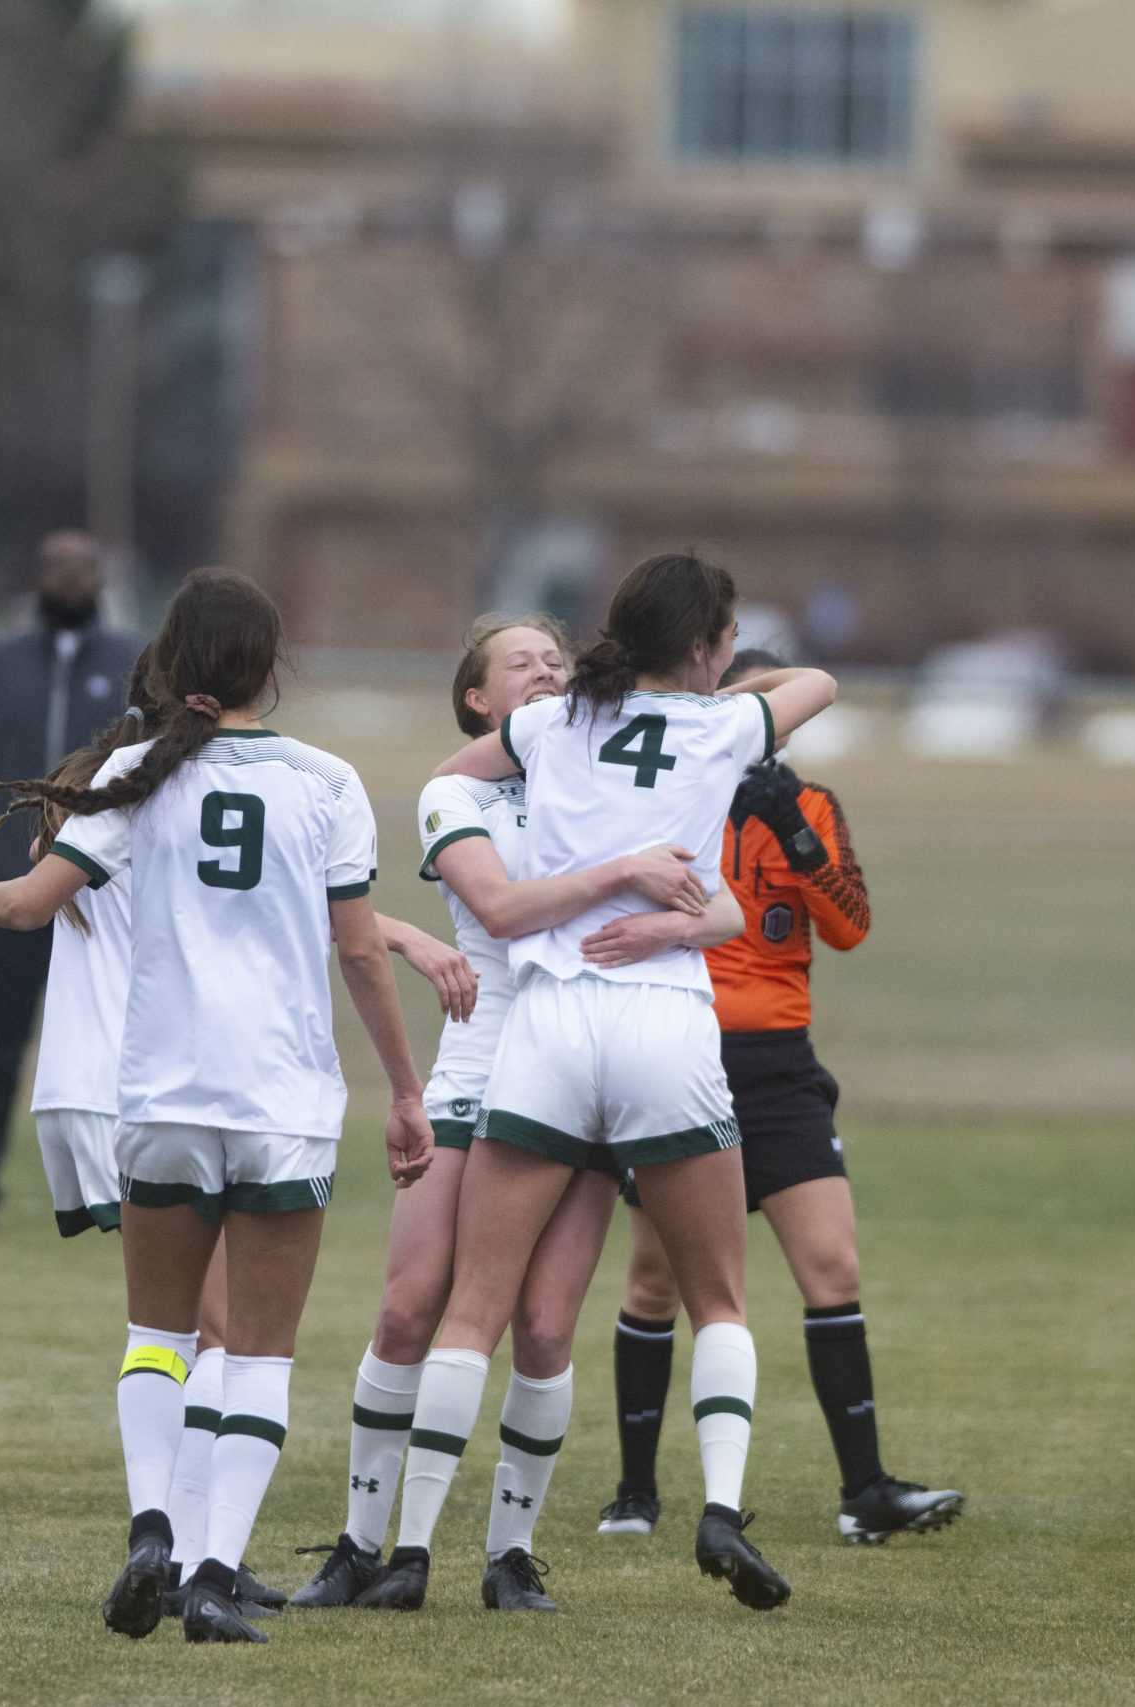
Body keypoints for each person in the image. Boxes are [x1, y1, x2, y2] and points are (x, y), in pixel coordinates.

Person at [0, 566, 433, 1645]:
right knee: (259, 1355)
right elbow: (360, 952)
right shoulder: (326, 782)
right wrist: (406, 1088)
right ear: (267, 670)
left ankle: (152, 1521)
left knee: (156, 1334)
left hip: (160, 1095)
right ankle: (206, 1577)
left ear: (171, 662)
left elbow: (24, 907)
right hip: (280, 1099)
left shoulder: (134, 774)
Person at [367, 553, 836, 1615]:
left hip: (545, 1022)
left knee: (470, 1311)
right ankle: (719, 1510)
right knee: (716, 1297)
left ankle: (411, 1552)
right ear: (711, 647)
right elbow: (815, 684)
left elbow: (456, 767)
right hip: (663, 1017)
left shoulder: (549, 727)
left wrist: (598, 696)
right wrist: (723, 688)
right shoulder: (723, 725)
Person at [288, 613, 741, 1614]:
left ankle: (510, 1555)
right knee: (413, 1307)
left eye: (556, 662)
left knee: (541, 1329)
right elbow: (499, 908)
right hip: (479, 1071)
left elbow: (723, 904)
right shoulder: (458, 791)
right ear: (477, 702)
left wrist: (684, 915)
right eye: (519, 665)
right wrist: (619, 875)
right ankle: (365, 1547)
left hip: (578, 1075)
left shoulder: (615, 773)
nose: (545, 673)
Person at [23, 648, 481, 1611]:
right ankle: (196, 1561)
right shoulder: (179, 791)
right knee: (229, 1335)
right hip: (172, 1086)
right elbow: (273, 914)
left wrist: (393, 933)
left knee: (189, 1331)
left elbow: (251, 907)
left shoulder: (118, 791)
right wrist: (399, 957)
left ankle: (179, 1550)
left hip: (125, 1090)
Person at [601, 650, 963, 1546]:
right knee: (656, 1279)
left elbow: (850, 926)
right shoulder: (667, 794)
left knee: (831, 1266)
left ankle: (865, 1489)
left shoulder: (808, 805)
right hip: (684, 1052)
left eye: (778, 712)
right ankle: (636, 1491)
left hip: (783, 1071)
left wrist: (795, 839)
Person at [0, 530, 141, 1231]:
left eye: (84, 570)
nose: (70, 581)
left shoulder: (129, 664)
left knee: (121, 1040)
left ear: (100, 579)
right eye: (58, 569)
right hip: (8, 890)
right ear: (39, 578)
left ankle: (136, 1182)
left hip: (103, 902)